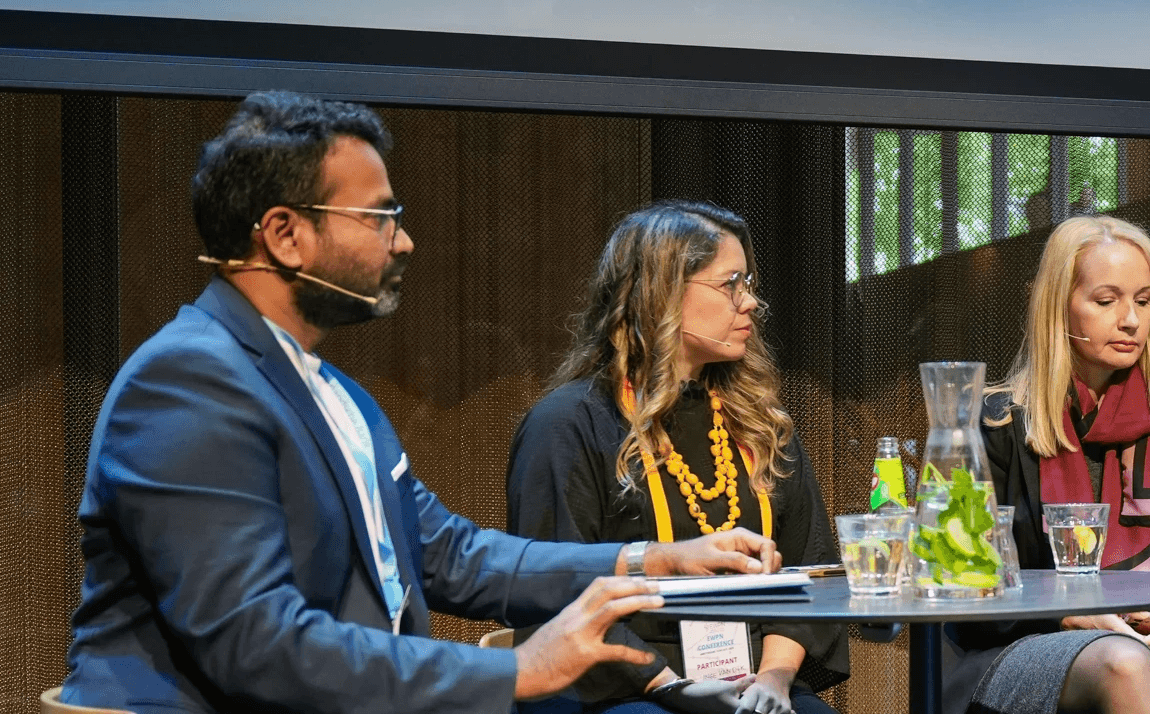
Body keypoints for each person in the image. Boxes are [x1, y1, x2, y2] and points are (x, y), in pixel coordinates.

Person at [62, 91, 782, 714]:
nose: (402, 240)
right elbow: (256, 644)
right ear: (284, 233)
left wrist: (653, 560)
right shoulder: (188, 380)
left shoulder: (337, 395)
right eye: (377, 216)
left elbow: (451, 555)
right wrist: (517, 669)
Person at [507, 201, 847, 714]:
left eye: (748, 283)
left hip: (748, 674)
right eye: (731, 284)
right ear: (662, 292)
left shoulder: (759, 421)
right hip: (616, 685)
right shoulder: (569, 424)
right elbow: (557, 593)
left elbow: (808, 575)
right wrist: (670, 686)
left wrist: (774, 681)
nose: (750, 301)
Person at [943, 215, 1150, 714]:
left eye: (1143, 301)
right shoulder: (995, 425)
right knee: (1120, 663)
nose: (1131, 320)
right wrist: (1069, 618)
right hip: (1019, 648)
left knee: (1129, 662)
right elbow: (966, 586)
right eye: (1106, 301)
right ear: (1060, 310)